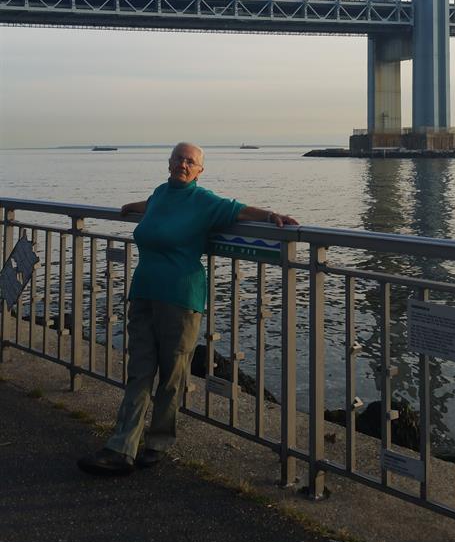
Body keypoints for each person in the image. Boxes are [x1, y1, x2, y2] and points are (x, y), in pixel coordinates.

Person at [77, 141, 298, 476]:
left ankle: (158, 442)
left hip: (181, 299)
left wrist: (271, 217)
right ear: (169, 163)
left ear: (199, 170)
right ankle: (121, 447)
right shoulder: (160, 194)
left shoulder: (204, 202)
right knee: (139, 370)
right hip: (143, 294)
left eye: (190, 161)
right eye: (178, 158)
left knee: (172, 374)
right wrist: (130, 207)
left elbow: (238, 209)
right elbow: (152, 205)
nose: (183, 164)